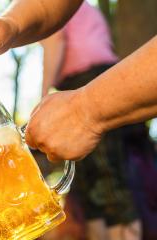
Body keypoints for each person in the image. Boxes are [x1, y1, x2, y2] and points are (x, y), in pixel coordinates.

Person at [0, 0, 157, 164]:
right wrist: (11, 23)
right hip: (103, 81)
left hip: (93, 80)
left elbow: (56, 44)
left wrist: (83, 108)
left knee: (111, 195)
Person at [40, 2, 141, 239]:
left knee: (105, 178)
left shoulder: (51, 5)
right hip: (102, 79)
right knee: (91, 179)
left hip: (88, 83)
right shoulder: (88, 9)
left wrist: (43, 96)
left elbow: (55, 43)